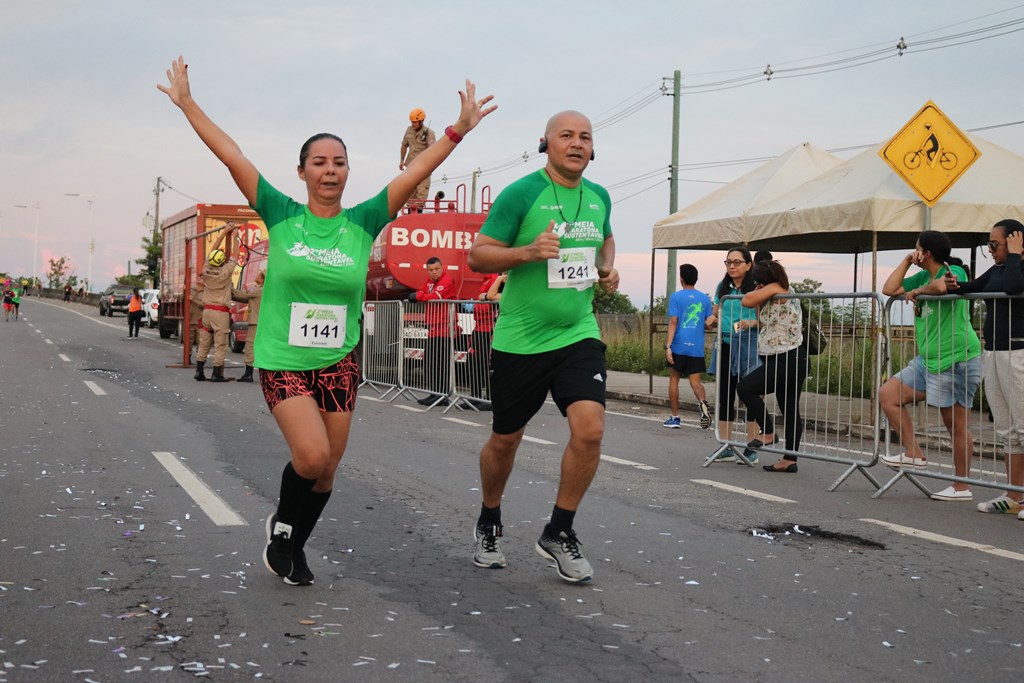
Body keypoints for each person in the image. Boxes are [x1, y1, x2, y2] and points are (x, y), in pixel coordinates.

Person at [160, 54, 495, 586]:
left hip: (338, 361)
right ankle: (287, 536)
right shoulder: (280, 212)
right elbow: (233, 155)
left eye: (338, 162)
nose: (330, 170)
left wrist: (457, 131)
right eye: (319, 162)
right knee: (311, 456)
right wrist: (187, 104)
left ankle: (289, 537)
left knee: (328, 468)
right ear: (302, 172)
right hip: (282, 358)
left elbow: (415, 172)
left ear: (346, 171)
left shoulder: (364, 221)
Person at [466, 109, 618, 584]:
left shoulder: (599, 196)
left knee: (590, 430)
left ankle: (560, 530)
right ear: (546, 143)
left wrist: (608, 268)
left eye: (585, 137)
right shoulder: (522, 193)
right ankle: (490, 518)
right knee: (506, 439)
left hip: (578, 332)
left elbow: (606, 241)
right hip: (521, 339)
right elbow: (477, 254)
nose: (577, 143)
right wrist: (527, 253)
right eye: (566, 135)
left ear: (593, 149)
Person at [929, 219, 1024, 516]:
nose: (990, 250)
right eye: (989, 245)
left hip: (1018, 351)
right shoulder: (998, 267)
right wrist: (956, 285)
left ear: (1014, 241)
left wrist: (1015, 256)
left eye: (995, 245)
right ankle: (1014, 495)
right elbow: (973, 287)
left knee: (1023, 426)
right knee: (1007, 428)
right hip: (994, 351)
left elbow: (1012, 288)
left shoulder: (1015, 267)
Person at [879, 230, 982, 501]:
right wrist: (905, 262)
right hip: (930, 360)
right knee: (889, 395)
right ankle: (914, 452)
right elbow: (889, 289)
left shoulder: (955, 269)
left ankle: (962, 486)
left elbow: (941, 287)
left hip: (956, 358)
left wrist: (916, 292)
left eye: (916, 248)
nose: (914, 251)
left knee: (955, 424)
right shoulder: (922, 274)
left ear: (927, 252)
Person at [737, 259, 807, 473]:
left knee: (745, 388)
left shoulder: (778, 288)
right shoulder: (775, 293)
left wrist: (759, 292)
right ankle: (789, 459)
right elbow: (762, 320)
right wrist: (762, 296)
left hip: (786, 359)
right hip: (789, 359)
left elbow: (746, 301)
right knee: (789, 409)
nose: (756, 285)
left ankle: (767, 431)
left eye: (758, 281)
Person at [705, 247, 774, 462]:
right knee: (725, 393)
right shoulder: (722, 286)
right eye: (728, 262)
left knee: (749, 394)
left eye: (736, 262)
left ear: (748, 264)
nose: (732, 266)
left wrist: (751, 323)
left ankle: (751, 447)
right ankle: (725, 444)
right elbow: (715, 311)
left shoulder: (756, 286)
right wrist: (711, 319)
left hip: (751, 344)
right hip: (726, 342)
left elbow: (766, 318)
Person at [662, 264, 713, 429]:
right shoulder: (705, 299)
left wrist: (668, 346)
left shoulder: (676, 297)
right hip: (696, 347)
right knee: (696, 382)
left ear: (681, 279)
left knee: (674, 380)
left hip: (678, 345)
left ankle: (675, 417)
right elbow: (708, 324)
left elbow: (673, 321)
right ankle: (703, 403)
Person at [408, 256, 456, 406]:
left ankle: (442, 395)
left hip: (444, 327)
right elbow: (423, 292)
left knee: (441, 362)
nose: (434, 272)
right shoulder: (429, 282)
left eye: (437, 269)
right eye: (431, 270)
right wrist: (419, 295)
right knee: (430, 361)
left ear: (442, 268)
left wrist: (418, 296)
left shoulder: (447, 280)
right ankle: (435, 393)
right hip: (434, 327)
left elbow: (434, 296)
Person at [195, 225, 241, 382]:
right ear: (222, 261)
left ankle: (199, 371)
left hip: (207, 311)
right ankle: (216, 374)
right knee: (220, 345)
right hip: (220, 312)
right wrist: (234, 236)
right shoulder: (225, 272)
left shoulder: (206, 269)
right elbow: (236, 254)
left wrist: (223, 233)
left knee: (204, 342)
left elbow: (212, 251)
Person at [467, 272, 505, 410]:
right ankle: (475, 396)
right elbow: (484, 297)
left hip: (491, 328)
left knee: (489, 365)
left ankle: (490, 398)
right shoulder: (488, 278)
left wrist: (483, 299)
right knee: (475, 362)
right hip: (480, 327)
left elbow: (489, 298)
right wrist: (482, 298)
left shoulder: (496, 279)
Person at [232, 270, 264, 382]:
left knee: (250, 346)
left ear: (263, 278)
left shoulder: (258, 290)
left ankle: (248, 374)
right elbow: (245, 298)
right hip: (264, 322)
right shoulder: (266, 290)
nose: (257, 275)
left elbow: (242, 295)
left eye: (259, 275)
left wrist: (228, 287)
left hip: (256, 323)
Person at [400, 108, 436, 204]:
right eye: (412, 122)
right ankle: (409, 216)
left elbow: (433, 151)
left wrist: (430, 167)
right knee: (409, 194)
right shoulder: (409, 130)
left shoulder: (429, 133)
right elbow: (404, 145)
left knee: (421, 194)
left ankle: (418, 214)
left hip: (423, 167)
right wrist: (401, 161)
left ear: (421, 121)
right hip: (411, 166)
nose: (413, 124)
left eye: (415, 122)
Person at [189, 272, 207, 355]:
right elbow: (182, 299)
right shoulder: (191, 290)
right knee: (188, 341)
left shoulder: (206, 293)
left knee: (201, 342)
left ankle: (200, 360)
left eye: (202, 278)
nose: (199, 279)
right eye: (199, 277)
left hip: (200, 321)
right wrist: (183, 290)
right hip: (190, 320)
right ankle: (187, 357)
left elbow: (205, 305)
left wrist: (193, 300)